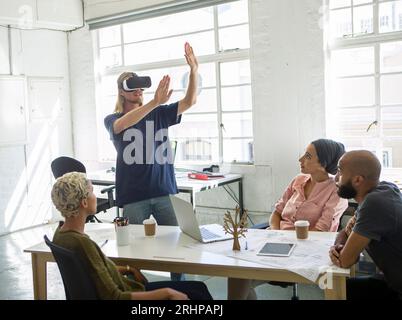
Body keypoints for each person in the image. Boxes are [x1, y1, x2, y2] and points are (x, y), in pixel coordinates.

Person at [104, 42, 198, 281]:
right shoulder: (113, 118)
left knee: (178, 248)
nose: (138, 91)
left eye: (140, 88)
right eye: (132, 88)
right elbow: (122, 125)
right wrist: (154, 101)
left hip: (164, 191)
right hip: (135, 196)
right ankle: (134, 292)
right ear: (122, 92)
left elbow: (189, 102)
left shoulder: (158, 113)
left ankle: (181, 291)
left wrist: (194, 71)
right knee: (132, 251)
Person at [51, 171, 213, 300]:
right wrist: (166, 293)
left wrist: (128, 269)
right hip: (126, 294)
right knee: (199, 292)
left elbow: (96, 270)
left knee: (198, 288)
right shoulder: (83, 244)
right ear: (84, 203)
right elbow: (115, 297)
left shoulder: (61, 235)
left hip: (125, 286)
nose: (95, 196)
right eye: (92, 192)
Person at [228, 138, 349, 299]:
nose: (300, 159)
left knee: (241, 275)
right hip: (276, 241)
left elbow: (321, 231)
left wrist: (283, 240)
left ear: (323, 163)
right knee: (236, 270)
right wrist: (276, 234)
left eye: (307, 156)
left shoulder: (335, 191)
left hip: (304, 251)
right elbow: (277, 212)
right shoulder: (298, 180)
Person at [329, 150, 402, 300]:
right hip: (391, 280)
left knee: (337, 289)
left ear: (357, 180)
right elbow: (345, 232)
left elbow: (346, 261)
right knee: (344, 288)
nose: (335, 178)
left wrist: (342, 252)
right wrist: (339, 246)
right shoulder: (385, 189)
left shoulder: (374, 204)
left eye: (339, 171)